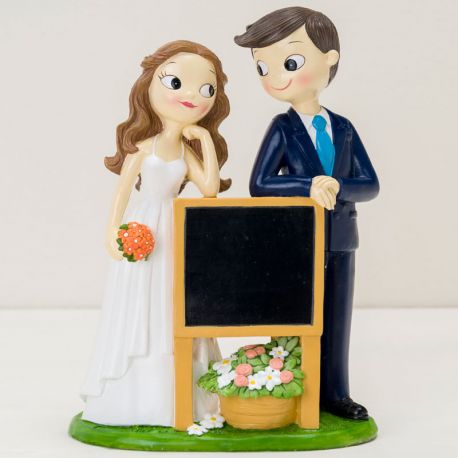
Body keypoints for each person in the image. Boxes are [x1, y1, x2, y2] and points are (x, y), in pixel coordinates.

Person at [234, 7, 379, 420]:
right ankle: (295, 386)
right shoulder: (283, 127)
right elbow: (260, 182)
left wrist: (338, 186)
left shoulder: (343, 127)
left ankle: (335, 393)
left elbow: (370, 184)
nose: (274, 76)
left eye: (290, 62)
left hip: (341, 239)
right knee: (298, 316)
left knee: (337, 319)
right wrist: (308, 185)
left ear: (329, 58)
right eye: (262, 67)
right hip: (298, 239)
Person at [80, 40, 231, 426]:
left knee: (173, 302)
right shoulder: (143, 149)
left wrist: (204, 141)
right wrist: (113, 234)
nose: (192, 95)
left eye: (206, 88)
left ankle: (178, 396)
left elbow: (210, 188)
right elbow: (122, 193)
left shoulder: (186, 152)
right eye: (176, 82)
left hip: (176, 229)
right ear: (149, 85)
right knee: (142, 302)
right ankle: (134, 397)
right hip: (144, 227)